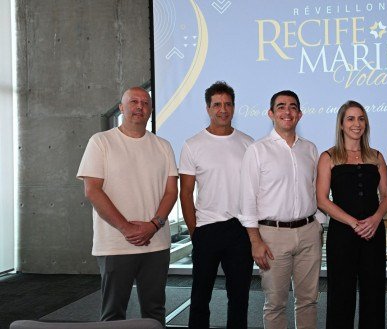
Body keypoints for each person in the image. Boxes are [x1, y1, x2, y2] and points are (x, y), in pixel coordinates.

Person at [77, 87, 178, 325]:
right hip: (115, 244)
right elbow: (92, 190)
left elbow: (171, 191)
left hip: (156, 243)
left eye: (145, 102)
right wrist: (126, 228)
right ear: (121, 107)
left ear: (151, 110)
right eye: (133, 101)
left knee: (155, 312)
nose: (140, 106)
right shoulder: (101, 142)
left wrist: (154, 225)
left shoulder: (163, 145)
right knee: (113, 314)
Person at [239, 90, 324, 329]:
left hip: (308, 233)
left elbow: (316, 190)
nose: (288, 111)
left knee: (308, 301)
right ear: (271, 114)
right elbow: (247, 201)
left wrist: (318, 225)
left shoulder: (310, 149)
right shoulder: (257, 150)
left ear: (300, 114)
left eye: (293, 107)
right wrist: (255, 241)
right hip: (272, 237)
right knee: (275, 303)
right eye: (281, 107)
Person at [179, 81, 254, 329]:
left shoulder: (248, 143)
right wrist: (195, 232)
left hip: (239, 230)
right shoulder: (193, 144)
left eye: (228, 104)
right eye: (217, 104)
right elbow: (186, 193)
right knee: (200, 297)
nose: (223, 109)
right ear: (208, 108)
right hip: (207, 229)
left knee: (239, 298)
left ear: (234, 107)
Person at [316, 100, 387, 329]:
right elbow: (321, 200)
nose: (356, 124)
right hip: (342, 235)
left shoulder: (377, 156)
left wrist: (376, 219)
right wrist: (353, 223)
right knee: (340, 296)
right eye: (350, 118)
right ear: (341, 124)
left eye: (360, 118)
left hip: (373, 234)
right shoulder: (328, 157)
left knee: (374, 295)